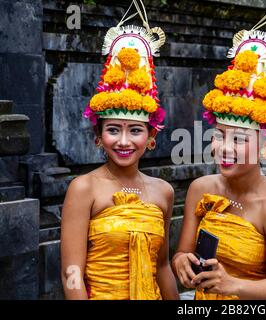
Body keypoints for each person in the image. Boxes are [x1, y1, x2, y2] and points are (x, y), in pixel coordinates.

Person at [172, 2, 266, 300]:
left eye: (240, 139)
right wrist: (181, 262)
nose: (224, 148)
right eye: (219, 135)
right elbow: (182, 252)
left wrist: (232, 285)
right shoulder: (200, 190)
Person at [60, 1, 178, 300]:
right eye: (113, 130)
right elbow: (71, 271)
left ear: (151, 136)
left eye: (135, 130)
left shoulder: (163, 192)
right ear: (98, 136)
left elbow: (162, 266)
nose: (124, 141)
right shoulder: (83, 188)